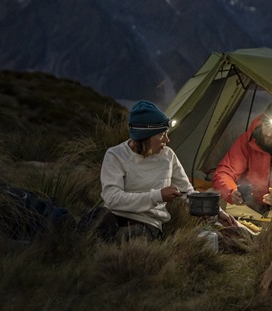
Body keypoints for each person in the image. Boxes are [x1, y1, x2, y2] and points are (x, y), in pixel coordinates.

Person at [100, 100, 236, 240]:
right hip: (115, 215)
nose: (167, 140)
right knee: (96, 220)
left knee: (118, 238)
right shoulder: (115, 155)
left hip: (147, 223)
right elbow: (112, 199)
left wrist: (217, 212)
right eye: (162, 135)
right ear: (144, 137)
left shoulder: (168, 155)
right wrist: (157, 196)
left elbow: (187, 192)